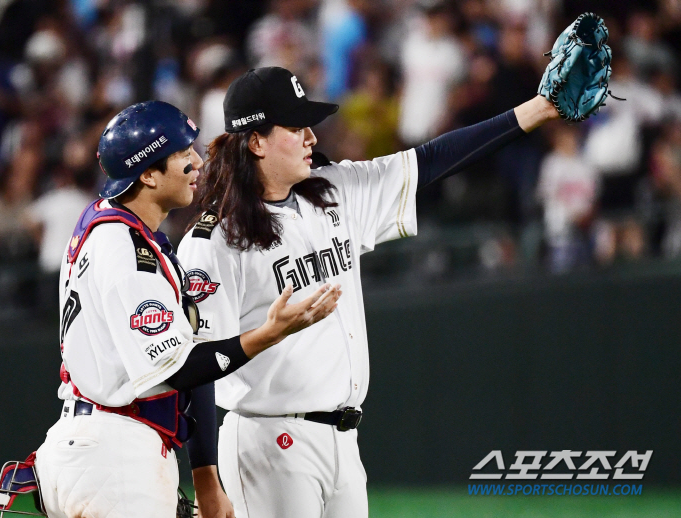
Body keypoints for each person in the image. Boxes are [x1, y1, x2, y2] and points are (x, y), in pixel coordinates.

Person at [177, 67, 560, 517]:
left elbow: (432, 160)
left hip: (343, 437)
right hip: (269, 441)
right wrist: (205, 478)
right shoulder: (215, 242)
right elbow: (196, 368)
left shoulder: (334, 192)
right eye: (296, 127)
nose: (311, 139)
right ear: (256, 142)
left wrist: (539, 109)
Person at [33, 100, 341, 518]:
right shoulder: (126, 251)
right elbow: (179, 369)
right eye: (183, 154)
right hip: (114, 450)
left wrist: (204, 478)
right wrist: (269, 334)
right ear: (147, 173)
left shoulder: (110, 224)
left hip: (93, 440)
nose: (198, 162)